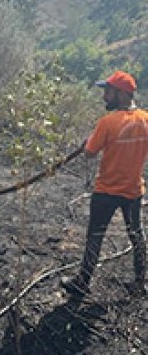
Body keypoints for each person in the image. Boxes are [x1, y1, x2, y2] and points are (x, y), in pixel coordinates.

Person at [63, 70, 148, 302]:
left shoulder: (107, 123)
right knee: (136, 235)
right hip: (133, 192)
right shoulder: (146, 119)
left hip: (106, 192)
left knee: (95, 236)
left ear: (121, 94)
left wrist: (87, 144)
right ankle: (141, 284)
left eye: (108, 92)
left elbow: (90, 153)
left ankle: (82, 282)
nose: (104, 97)